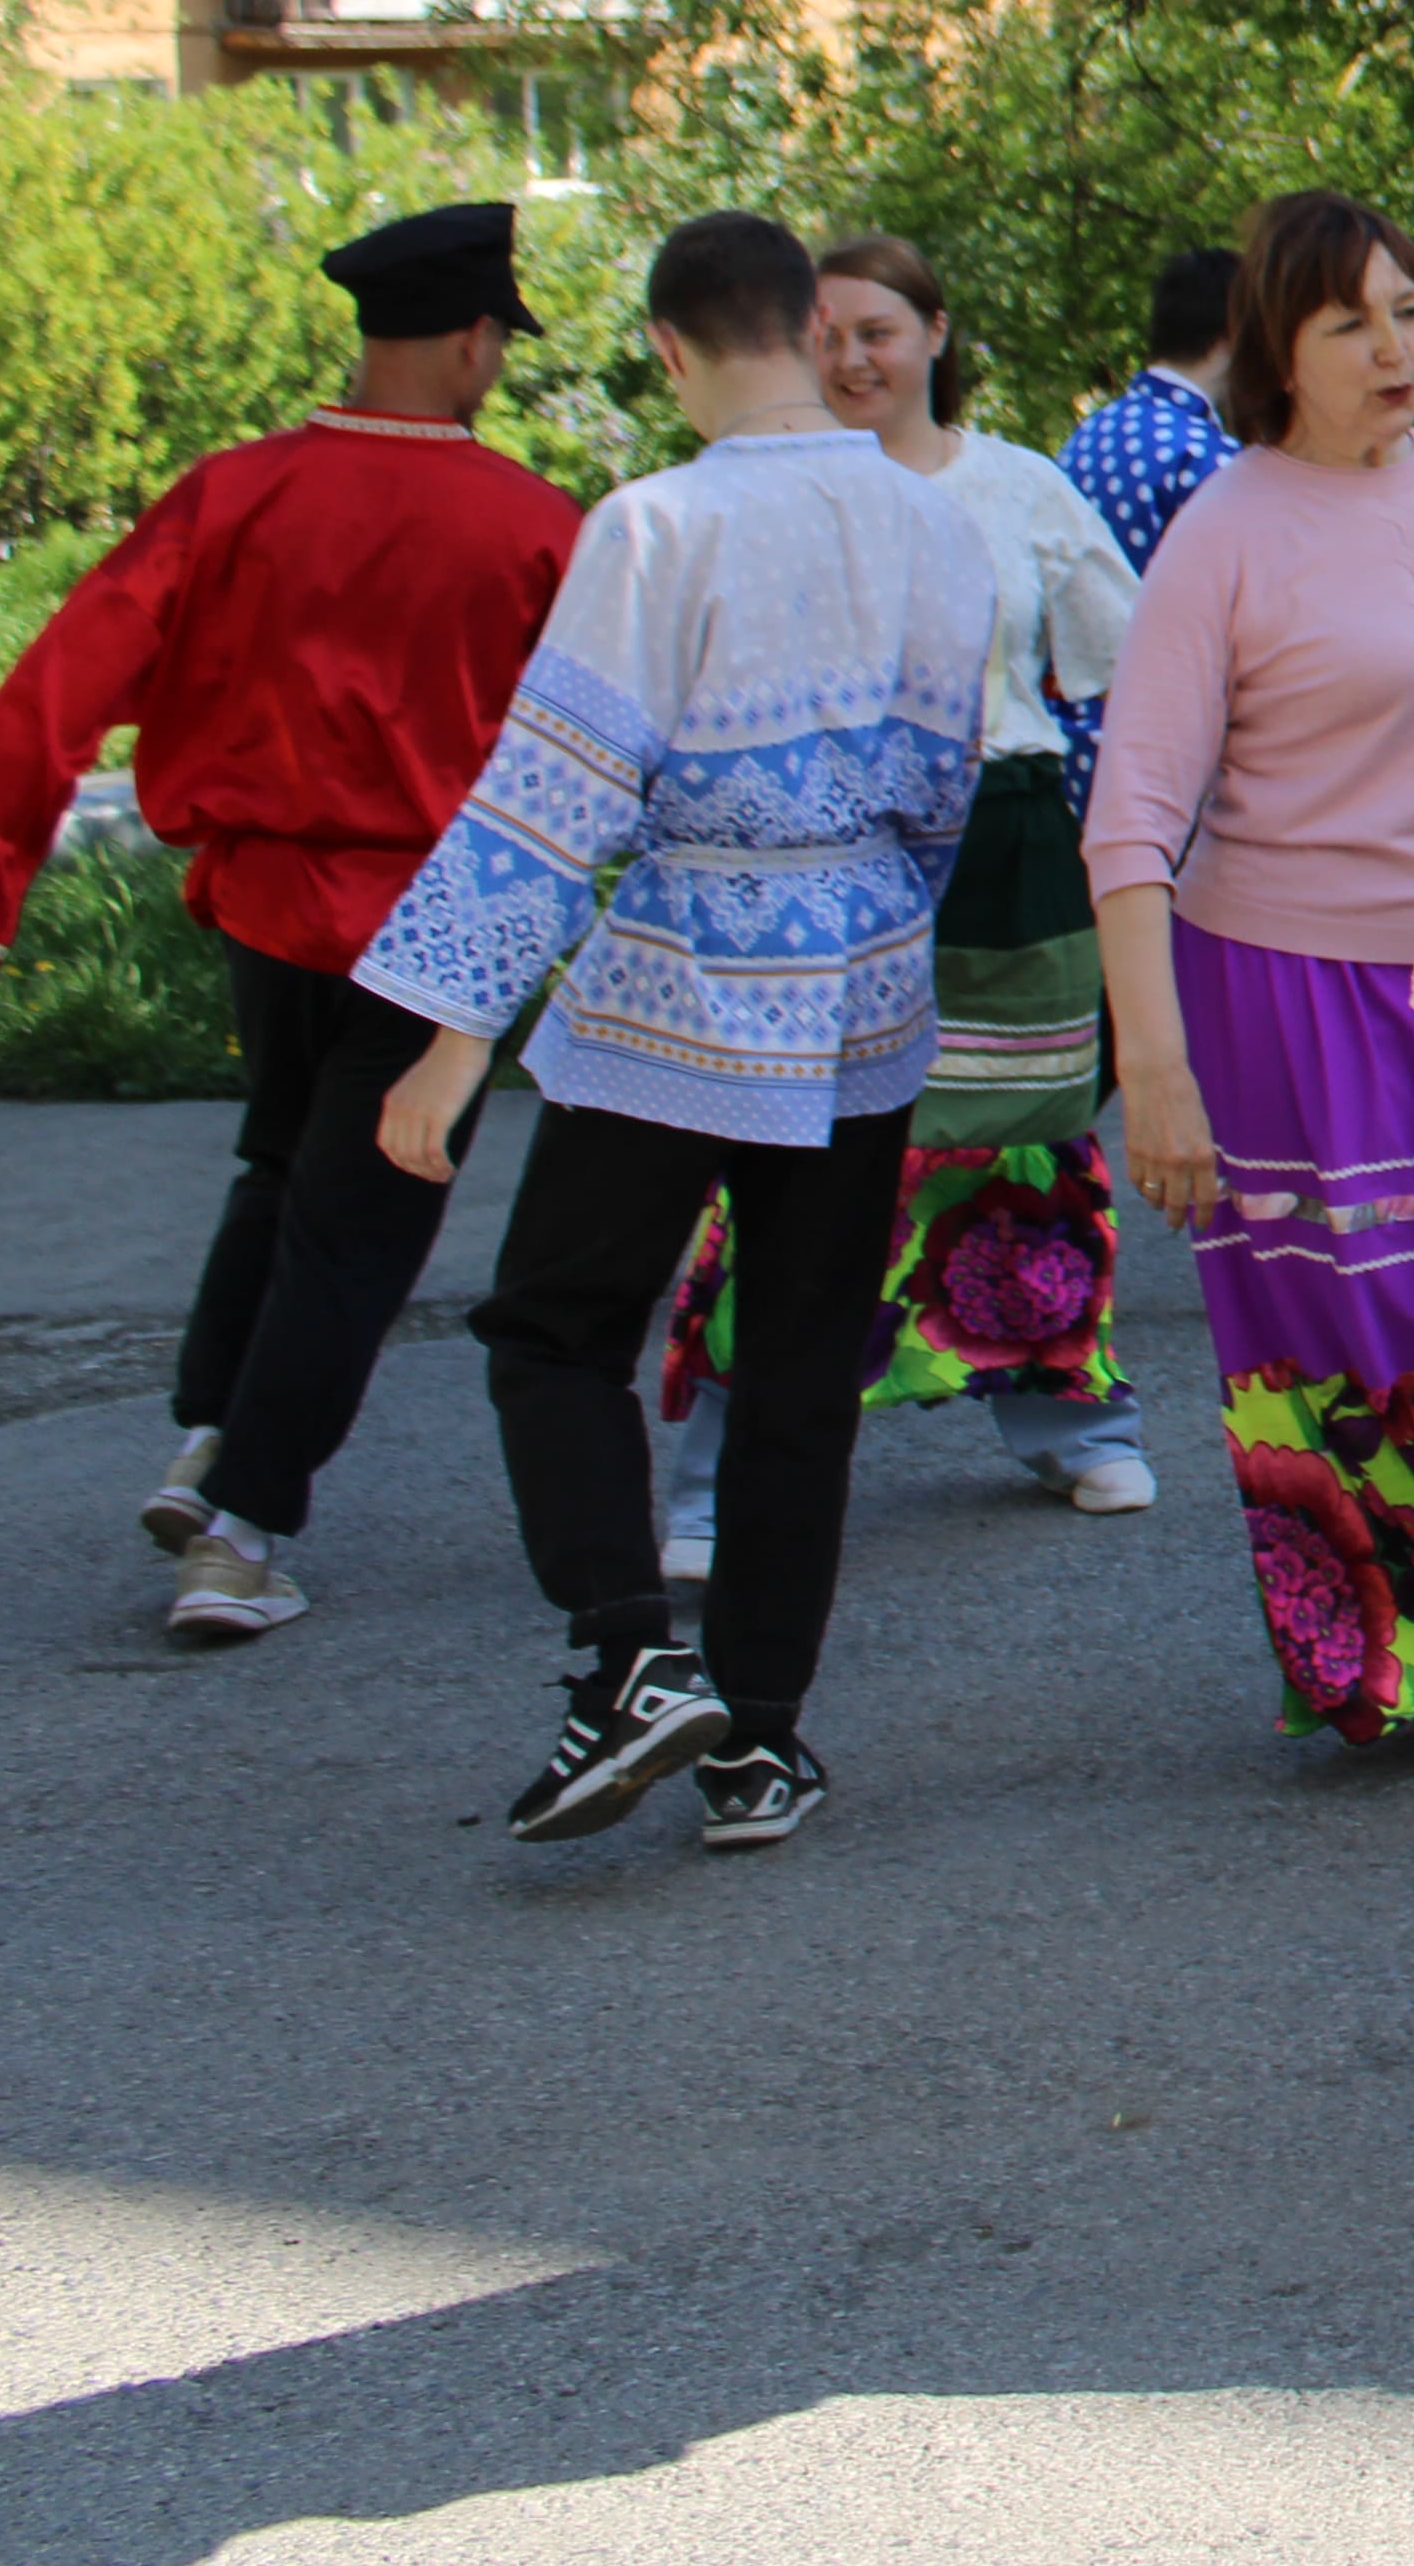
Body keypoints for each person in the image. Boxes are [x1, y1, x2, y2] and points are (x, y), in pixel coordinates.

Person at [351, 208, 990, 1856]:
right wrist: (871, 920)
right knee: (798, 1369)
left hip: (685, 980)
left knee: (554, 1326)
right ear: (803, 323)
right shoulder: (934, 527)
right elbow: (942, 792)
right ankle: (760, 1737)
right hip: (863, 986)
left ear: (671, 350)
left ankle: (630, 1651)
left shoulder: (655, 524)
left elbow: (557, 787)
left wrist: (451, 1032)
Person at [0, 204, 585, 1643]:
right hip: (437, 916)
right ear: (469, 339)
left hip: (264, 903)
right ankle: (245, 1531)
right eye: (502, 339)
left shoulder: (234, 490)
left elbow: (68, 671)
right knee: (360, 1226)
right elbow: (586, 740)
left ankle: (211, 1436)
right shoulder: (531, 523)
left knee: (277, 1169)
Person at [1083, 190, 1414, 1779]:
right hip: (1300, 993)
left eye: (1412, 309)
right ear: (1273, 354)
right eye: (1349, 324)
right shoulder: (1223, 534)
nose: (1396, 349)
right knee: (1374, 1327)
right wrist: (1155, 1072)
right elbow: (1131, 819)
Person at [652, 236, 1150, 1569]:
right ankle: (708, 1478)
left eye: (877, 329)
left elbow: (1120, 665)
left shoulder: (1023, 489)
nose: (851, 357)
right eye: (823, 334)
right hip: (833, 857)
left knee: (1026, 1146)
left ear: (934, 334)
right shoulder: (754, 496)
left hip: (1007, 841)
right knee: (792, 1158)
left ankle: (1075, 1426)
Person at [1053, 244, 1242, 819]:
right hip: (1167, 767)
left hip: (1073, 759)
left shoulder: (1087, 438)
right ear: (1239, 330)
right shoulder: (1212, 460)